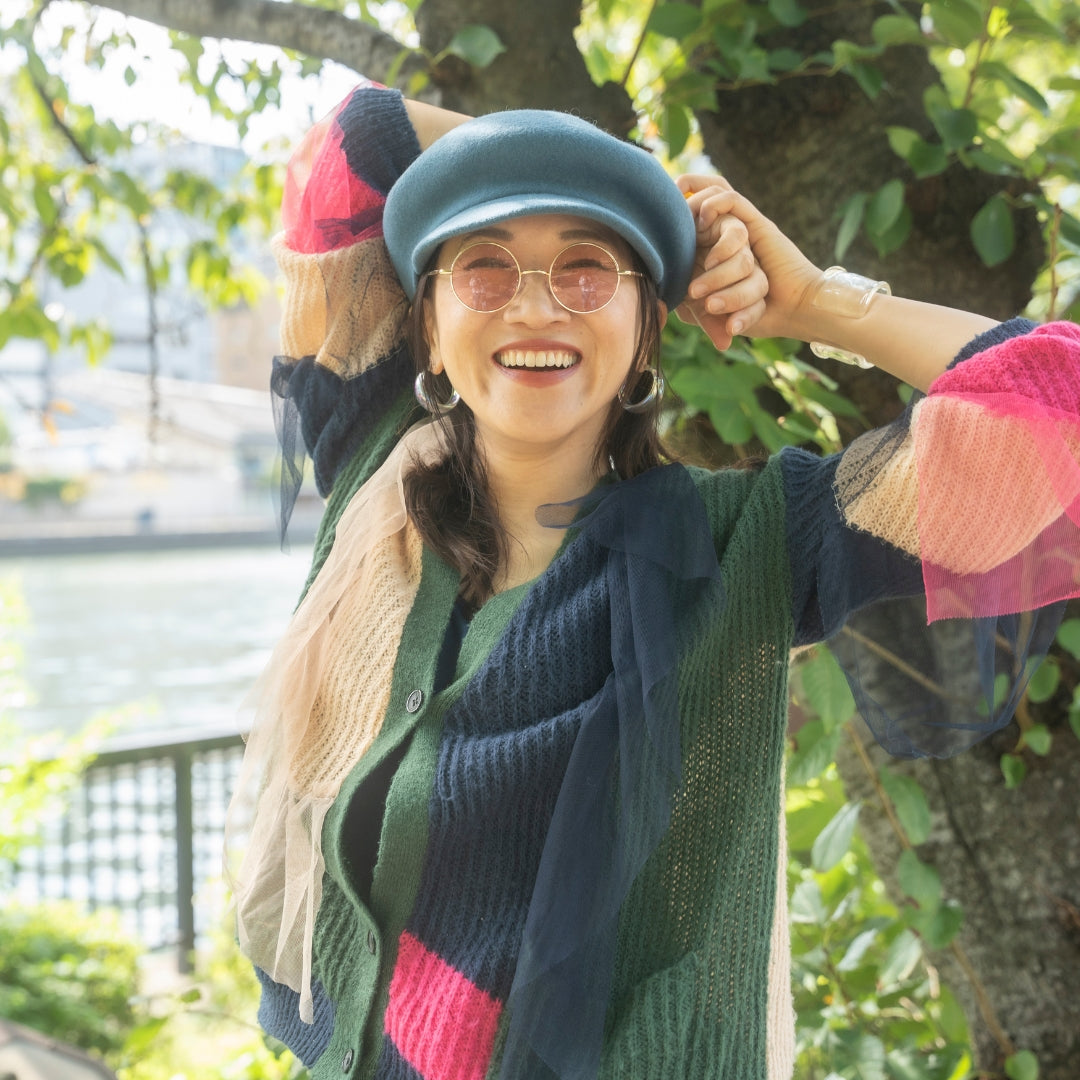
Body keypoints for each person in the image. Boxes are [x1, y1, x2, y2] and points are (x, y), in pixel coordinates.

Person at [225, 79, 1080, 1080]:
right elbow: (359, 136)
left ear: (645, 328)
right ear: (428, 329)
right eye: (486, 270)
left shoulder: (746, 550)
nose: (536, 305)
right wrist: (632, 185)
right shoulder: (372, 462)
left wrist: (814, 301)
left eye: (588, 271)